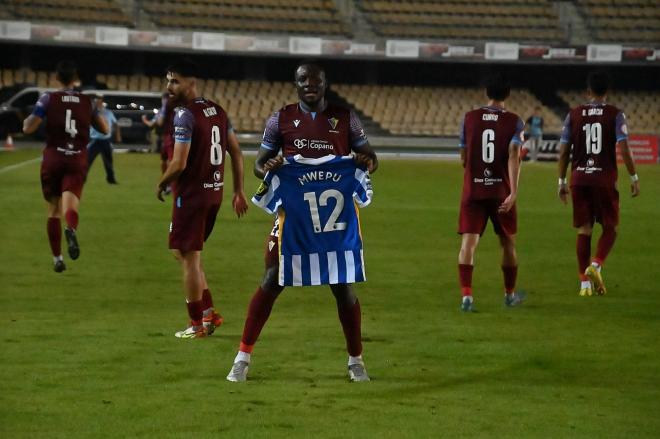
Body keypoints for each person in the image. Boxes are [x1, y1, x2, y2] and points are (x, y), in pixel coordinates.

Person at [226, 62, 378, 383]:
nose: (309, 84)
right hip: (294, 216)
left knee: (342, 287)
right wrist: (271, 164)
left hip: (333, 222)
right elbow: (258, 165)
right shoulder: (280, 118)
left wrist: (366, 162)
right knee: (271, 278)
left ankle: (356, 361)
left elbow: (370, 157)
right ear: (295, 84)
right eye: (302, 80)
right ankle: (242, 358)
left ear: (325, 83)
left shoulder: (345, 118)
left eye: (315, 80)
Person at [156, 59, 248, 338]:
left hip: (192, 196)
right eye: (168, 80)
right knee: (185, 254)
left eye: (175, 81)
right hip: (214, 193)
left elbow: (179, 162)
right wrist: (237, 190)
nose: (169, 86)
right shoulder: (217, 110)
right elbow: (237, 152)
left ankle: (197, 325)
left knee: (189, 258)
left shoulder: (184, 114)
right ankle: (208, 313)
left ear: (191, 82)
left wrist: (161, 182)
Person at [557, 71, 640, 297]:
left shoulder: (573, 114)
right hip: (604, 179)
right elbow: (624, 148)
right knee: (611, 228)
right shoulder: (615, 114)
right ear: (607, 92)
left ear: (588, 91)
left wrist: (561, 180)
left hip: (579, 179)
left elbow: (564, 151)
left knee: (584, 229)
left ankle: (584, 284)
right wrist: (633, 177)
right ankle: (596, 264)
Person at [22, 60, 109, 272]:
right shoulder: (86, 101)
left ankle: (57, 259)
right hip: (77, 158)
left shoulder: (48, 98)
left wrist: (32, 118)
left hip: (53, 157)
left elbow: (28, 128)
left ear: (56, 79)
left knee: (53, 210)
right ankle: (71, 228)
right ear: (75, 79)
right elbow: (105, 129)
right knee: (70, 206)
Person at [457, 74, 525, 312]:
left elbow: (464, 158)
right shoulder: (515, 121)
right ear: (508, 94)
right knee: (507, 243)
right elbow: (515, 151)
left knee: (469, 242)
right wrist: (513, 192)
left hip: (473, 190)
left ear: (487, 92)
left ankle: (467, 297)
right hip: (501, 192)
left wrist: (476, 171)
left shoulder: (469, 118)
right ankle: (509, 295)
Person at [87, 93, 120, 184]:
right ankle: (82, 178)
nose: (97, 101)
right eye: (95, 99)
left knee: (108, 162)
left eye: (99, 99)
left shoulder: (108, 112)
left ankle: (111, 179)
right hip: (95, 140)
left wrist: (117, 136)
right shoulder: (91, 112)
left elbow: (115, 124)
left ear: (102, 101)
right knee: (87, 160)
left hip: (105, 140)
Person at [143, 92, 175, 180]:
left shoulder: (164, 108)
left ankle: (169, 181)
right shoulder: (174, 107)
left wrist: (145, 120)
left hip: (169, 137)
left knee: (168, 160)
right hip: (172, 136)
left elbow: (157, 123)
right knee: (168, 159)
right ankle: (168, 181)